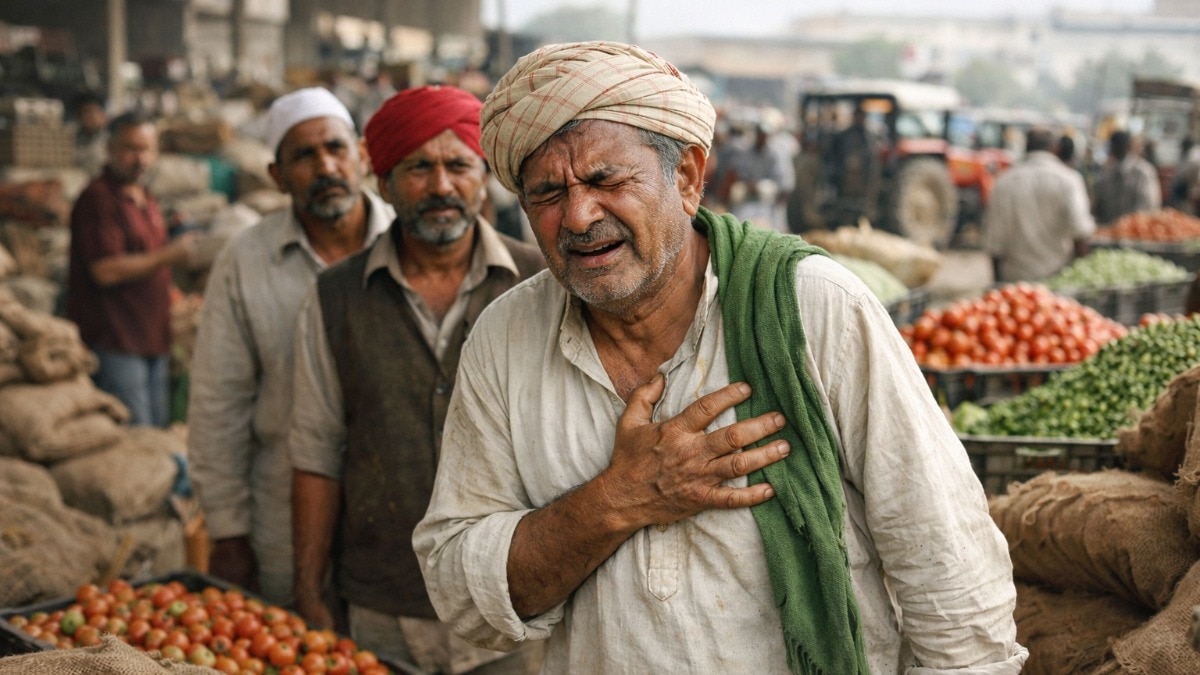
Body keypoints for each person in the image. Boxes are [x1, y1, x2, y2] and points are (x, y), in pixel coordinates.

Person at [413, 41, 1027, 674]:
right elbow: (462, 590)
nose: (578, 215)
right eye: (546, 194)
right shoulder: (505, 337)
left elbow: (946, 562)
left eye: (605, 180)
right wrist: (616, 500)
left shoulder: (817, 308)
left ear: (686, 178)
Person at [287, 85, 546, 674]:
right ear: (382, 183)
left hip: (514, 603)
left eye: (458, 165)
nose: (440, 187)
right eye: (417, 168)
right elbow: (316, 454)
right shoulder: (334, 299)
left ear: (483, 178)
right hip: (381, 608)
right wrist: (308, 588)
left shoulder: (541, 284)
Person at [188, 87, 393, 605]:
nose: (325, 167)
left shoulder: (408, 246)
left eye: (335, 148)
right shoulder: (246, 261)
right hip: (280, 519)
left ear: (362, 157)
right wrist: (228, 532)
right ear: (277, 176)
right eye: (303, 156)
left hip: (397, 522)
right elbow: (219, 403)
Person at [67, 110, 196, 427]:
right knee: (135, 435)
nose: (140, 159)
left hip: (152, 336)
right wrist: (171, 255)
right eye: (130, 148)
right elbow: (105, 271)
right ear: (109, 149)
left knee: (157, 432)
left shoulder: (145, 196)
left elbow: (146, 257)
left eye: (147, 149)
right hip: (117, 340)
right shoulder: (98, 198)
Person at [982, 127, 1096, 283]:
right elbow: (1080, 234)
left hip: (1015, 282)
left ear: (1026, 147)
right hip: (1059, 279)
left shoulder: (1003, 182)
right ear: (1055, 148)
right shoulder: (1069, 180)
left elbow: (994, 242)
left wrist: (997, 284)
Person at [1092, 129, 1162, 225]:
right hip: (1112, 230)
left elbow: (1148, 206)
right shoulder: (1107, 172)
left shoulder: (1143, 172)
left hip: (1135, 230)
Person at [71, 91, 109, 177]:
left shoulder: (112, 140)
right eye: (84, 112)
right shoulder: (72, 139)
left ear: (103, 114)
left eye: (93, 112)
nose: (89, 117)